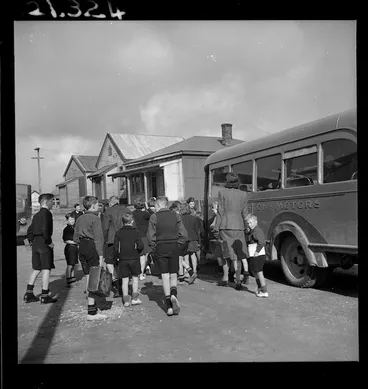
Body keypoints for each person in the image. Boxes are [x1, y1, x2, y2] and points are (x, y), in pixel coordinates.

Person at [147, 196, 188, 316]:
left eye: (155, 206)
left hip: (161, 246)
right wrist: (179, 244)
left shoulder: (154, 217)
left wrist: (154, 247)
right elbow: (184, 234)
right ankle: (174, 294)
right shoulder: (176, 215)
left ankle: (168, 305)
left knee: (165, 275)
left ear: (159, 205)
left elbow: (150, 236)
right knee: (174, 273)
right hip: (174, 245)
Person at [73, 196, 107, 321]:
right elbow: (99, 238)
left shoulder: (80, 218)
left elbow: (75, 237)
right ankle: (91, 312)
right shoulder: (95, 218)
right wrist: (101, 256)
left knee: (87, 274)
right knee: (94, 276)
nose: (99, 207)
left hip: (82, 246)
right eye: (98, 205)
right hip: (92, 246)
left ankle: (90, 302)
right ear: (93, 206)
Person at [213, 172, 249, 288]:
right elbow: (245, 213)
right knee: (238, 255)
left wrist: (216, 228)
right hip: (239, 227)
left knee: (225, 254)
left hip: (225, 226)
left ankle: (225, 278)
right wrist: (248, 226)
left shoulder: (222, 193)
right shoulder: (243, 194)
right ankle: (238, 281)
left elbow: (220, 212)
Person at [23, 193, 57, 304]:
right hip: (43, 242)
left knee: (36, 269)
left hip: (36, 243)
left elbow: (29, 231)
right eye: (52, 201)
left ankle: (28, 294)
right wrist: (49, 242)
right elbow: (45, 229)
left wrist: (30, 243)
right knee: (46, 269)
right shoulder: (47, 214)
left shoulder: (36, 215)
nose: (53, 203)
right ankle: (45, 295)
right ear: (46, 202)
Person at [114, 212, 144, 307]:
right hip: (134, 257)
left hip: (123, 258)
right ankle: (134, 298)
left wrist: (118, 256)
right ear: (132, 221)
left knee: (124, 279)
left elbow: (115, 247)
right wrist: (137, 251)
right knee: (135, 278)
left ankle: (126, 300)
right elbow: (141, 245)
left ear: (122, 222)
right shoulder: (136, 232)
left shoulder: (118, 233)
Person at [103, 195, 130, 298]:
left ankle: (117, 285)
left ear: (111, 203)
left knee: (110, 263)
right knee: (122, 262)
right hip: (125, 239)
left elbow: (105, 228)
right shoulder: (127, 209)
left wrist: (104, 241)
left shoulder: (108, 211)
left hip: (112, 240)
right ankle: (125, 286)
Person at [244, 214, 268, 297]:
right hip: (254, 254)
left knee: (259, 272)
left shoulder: (257, 230)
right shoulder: (252, 230)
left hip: (258, 254)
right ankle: (260, 288)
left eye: (251, 223)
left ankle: (264, 291)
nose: (249, 225)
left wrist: (257, 252)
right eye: (248, 223)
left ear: (256, 222)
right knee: (254, 271)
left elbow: (262, 242)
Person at [132, 198, 151, 280]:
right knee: (143, 256)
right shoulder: (145, 214)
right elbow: (154, 215)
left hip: (134, 236)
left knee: (136, 256)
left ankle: (135, 272)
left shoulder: (132, 213)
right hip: (143, 236)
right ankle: (141, 273)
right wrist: (148, 208)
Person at [62, 213, 79, 287]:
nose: (72, 221)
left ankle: (72, 279)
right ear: (67, 220)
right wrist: (76, 242)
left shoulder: (73, 227)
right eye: (70, 219)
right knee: (70, 265)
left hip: (74, 248)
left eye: (73, 219)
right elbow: (65, 240)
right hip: (70, 248)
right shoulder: (67, 229)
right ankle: (68, 280)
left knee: (73, 265)